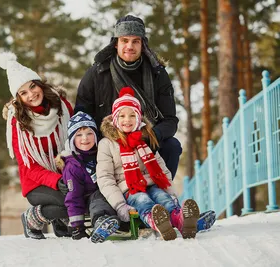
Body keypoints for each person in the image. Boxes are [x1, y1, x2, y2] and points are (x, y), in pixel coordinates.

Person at [75, 14, 216, 232]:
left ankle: (172, 213)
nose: (129, 46)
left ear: (143, 44)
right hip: (108, 145)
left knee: (172, 146)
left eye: (135, 41)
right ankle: (134, 212)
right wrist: (105, 142)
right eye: (124, 40)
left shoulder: (157, 73)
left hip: (146, 140)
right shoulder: (96, 73)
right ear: (116, 43)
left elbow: (170, 120)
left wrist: (148, 136)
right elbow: (82, 115)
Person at [96, 87, 200, 240]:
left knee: (162, 197)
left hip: (151, 183)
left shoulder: (145, 140)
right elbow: (105, 178)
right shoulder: (107, 144)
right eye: (122, 116)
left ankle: (180, 220)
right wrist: (119, 205)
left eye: (132, 115)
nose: (127, 120)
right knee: (142, 200)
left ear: (138, 118)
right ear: (115, 119)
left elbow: (161, 168)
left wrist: (171, 194)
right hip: (128, 188)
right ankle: (157, 221)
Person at [0, 51, 73, 240]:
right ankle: (32, 219)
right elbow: (29, 167)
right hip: (36, 181)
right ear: (18, 98)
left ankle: (60, 221)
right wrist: (56, 181)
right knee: (67, 203)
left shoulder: (61, 106)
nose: (31, 94)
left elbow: (75, 138)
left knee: (81, 195)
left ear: (39, 84)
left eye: (32, 87)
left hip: (65, 170)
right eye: (23, 93)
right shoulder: (18, 122)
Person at [55, 111, 120, 242]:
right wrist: (77, 227)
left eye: (89, 133)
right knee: (97, 198)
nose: (85, 138)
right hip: (87, 200)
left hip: (111, 192)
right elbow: (74, 197)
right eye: (79, 135)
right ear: (72, 139)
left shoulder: (102, 153)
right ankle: (101, 223)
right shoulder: (72, 165)